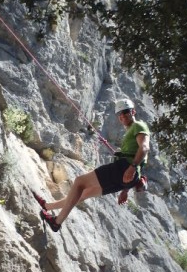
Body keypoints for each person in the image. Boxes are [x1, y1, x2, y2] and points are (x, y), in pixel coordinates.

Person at [32, 99, 150, 232]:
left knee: (79, 182)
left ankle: (57, 222)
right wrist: (125, 189)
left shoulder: (138, 126)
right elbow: (137, 156)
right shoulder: (130, 132)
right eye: (120, 114)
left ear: (133, 111)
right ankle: (48, 207)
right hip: (127, 177)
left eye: (125, 112)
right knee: (83, 194)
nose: (122, 116)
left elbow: (144, 148)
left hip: (124, 168)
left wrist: (132, 167)